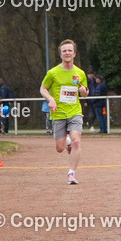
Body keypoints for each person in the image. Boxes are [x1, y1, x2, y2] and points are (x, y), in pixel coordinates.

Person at [39, 39, 88, 185]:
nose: (67, 53)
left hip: (75, 112)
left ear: (74, 53)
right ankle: (66, 143)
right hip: (58, 113)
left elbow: (85, 93)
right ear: (60, 54)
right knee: (59, 149)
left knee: (77, 140)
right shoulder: (53, 73)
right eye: (64, 51)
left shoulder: (80, 73)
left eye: (70, 50)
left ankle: (71, 174)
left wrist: (84, 91)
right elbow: (43, 88)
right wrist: (50, 100)